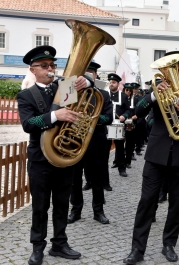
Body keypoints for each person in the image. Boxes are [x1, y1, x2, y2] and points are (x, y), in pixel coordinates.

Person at [123, 51, 179, 264]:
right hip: (156, 154)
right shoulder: (157, 87)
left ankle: (169, 244)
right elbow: (139, 112)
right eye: (176, 70)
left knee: (176, 203)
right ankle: (137, 249)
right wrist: (152, 95)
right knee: (146, 201)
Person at [17, 45, 92, 265]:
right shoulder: (26, 95)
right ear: (33, 70)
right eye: (44, 66)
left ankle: (59, 244)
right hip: (40, 160)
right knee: (40, 206)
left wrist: (86, 81)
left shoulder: (65, 86)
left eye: (52, 65)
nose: (50, 69)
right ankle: (37, 247)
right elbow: (28, 124)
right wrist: (54, 115)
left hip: (64, 157)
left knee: (61, 204)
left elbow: (88, 79)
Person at [68, 62, 113, 225]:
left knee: (97, 179)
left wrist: (88, 118)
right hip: (74, 141)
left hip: (96, 142)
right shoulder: (71, 92)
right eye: (84, 73)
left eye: (91, 73)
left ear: (95, 76)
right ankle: (76, 210)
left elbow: (108, 118)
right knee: (74, 179)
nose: (87, 76)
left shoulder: (103, 95)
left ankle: (98, 211)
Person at [108, 73, 130, 177]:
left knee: (120, 148)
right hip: (106, 125)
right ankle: (103, 173)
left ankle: (122, 168)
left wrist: (124, 116)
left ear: (118, 84)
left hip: (118, 125)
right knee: (104, 149)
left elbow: (128, 110)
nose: (111, 84)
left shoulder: (124, 96)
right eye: (110, 82)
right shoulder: (104, 94)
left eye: (113, 82)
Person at [123, 83, 140, 168]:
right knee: (120, 143)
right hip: (122, 123)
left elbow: (138, 110)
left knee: (129, 143)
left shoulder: (135, 99)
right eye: (127, 90)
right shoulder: (122, 98)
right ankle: (118, 161)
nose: (128, 92)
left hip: (131, 123)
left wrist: (135, 116)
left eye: (130, 90)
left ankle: (128, 161)